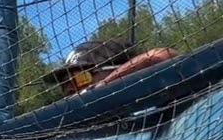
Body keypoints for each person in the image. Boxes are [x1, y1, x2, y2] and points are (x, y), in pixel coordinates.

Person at [41, 38, 177, 99]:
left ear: (115, 68)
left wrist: (102, 86)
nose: (70, 89)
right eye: (64, 85)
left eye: (80, 77)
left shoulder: (157, 93)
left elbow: (160, 55)